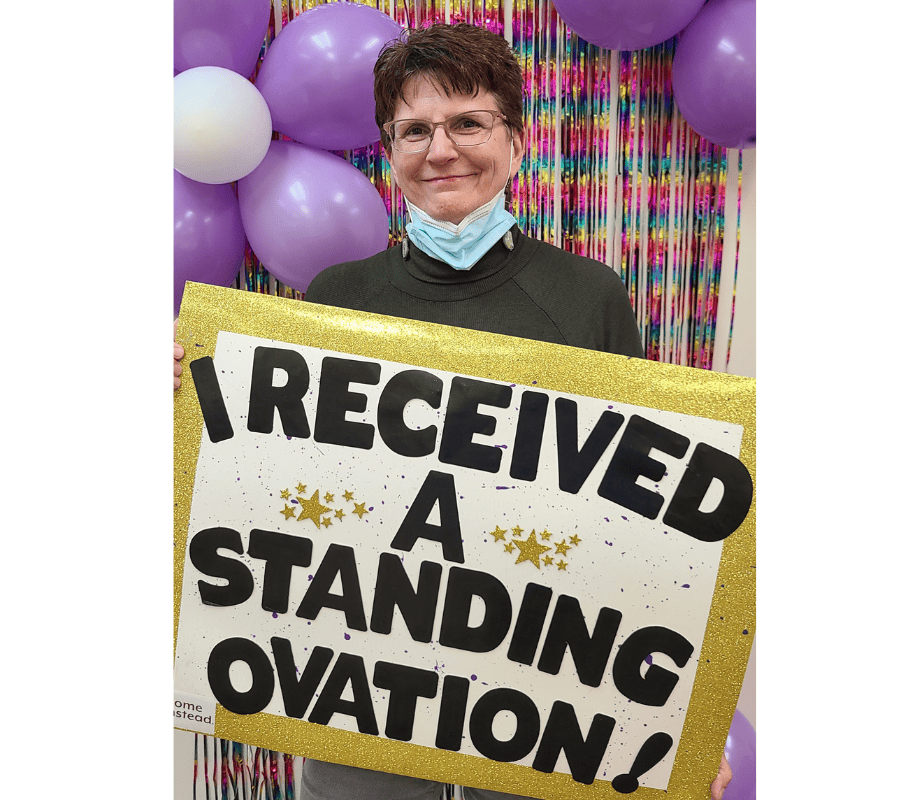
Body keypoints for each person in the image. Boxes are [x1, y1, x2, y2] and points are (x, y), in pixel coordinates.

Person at [175, 22, 733, 800]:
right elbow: (274, 489)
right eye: (414, 130)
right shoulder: (339, 298)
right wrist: (191, 388)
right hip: (360, 696)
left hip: (533, 701)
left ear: (513, 138)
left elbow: (639, 529)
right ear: (389, 148)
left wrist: (679, 718)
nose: (441, 150)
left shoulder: (586, 296)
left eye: (468, 123)